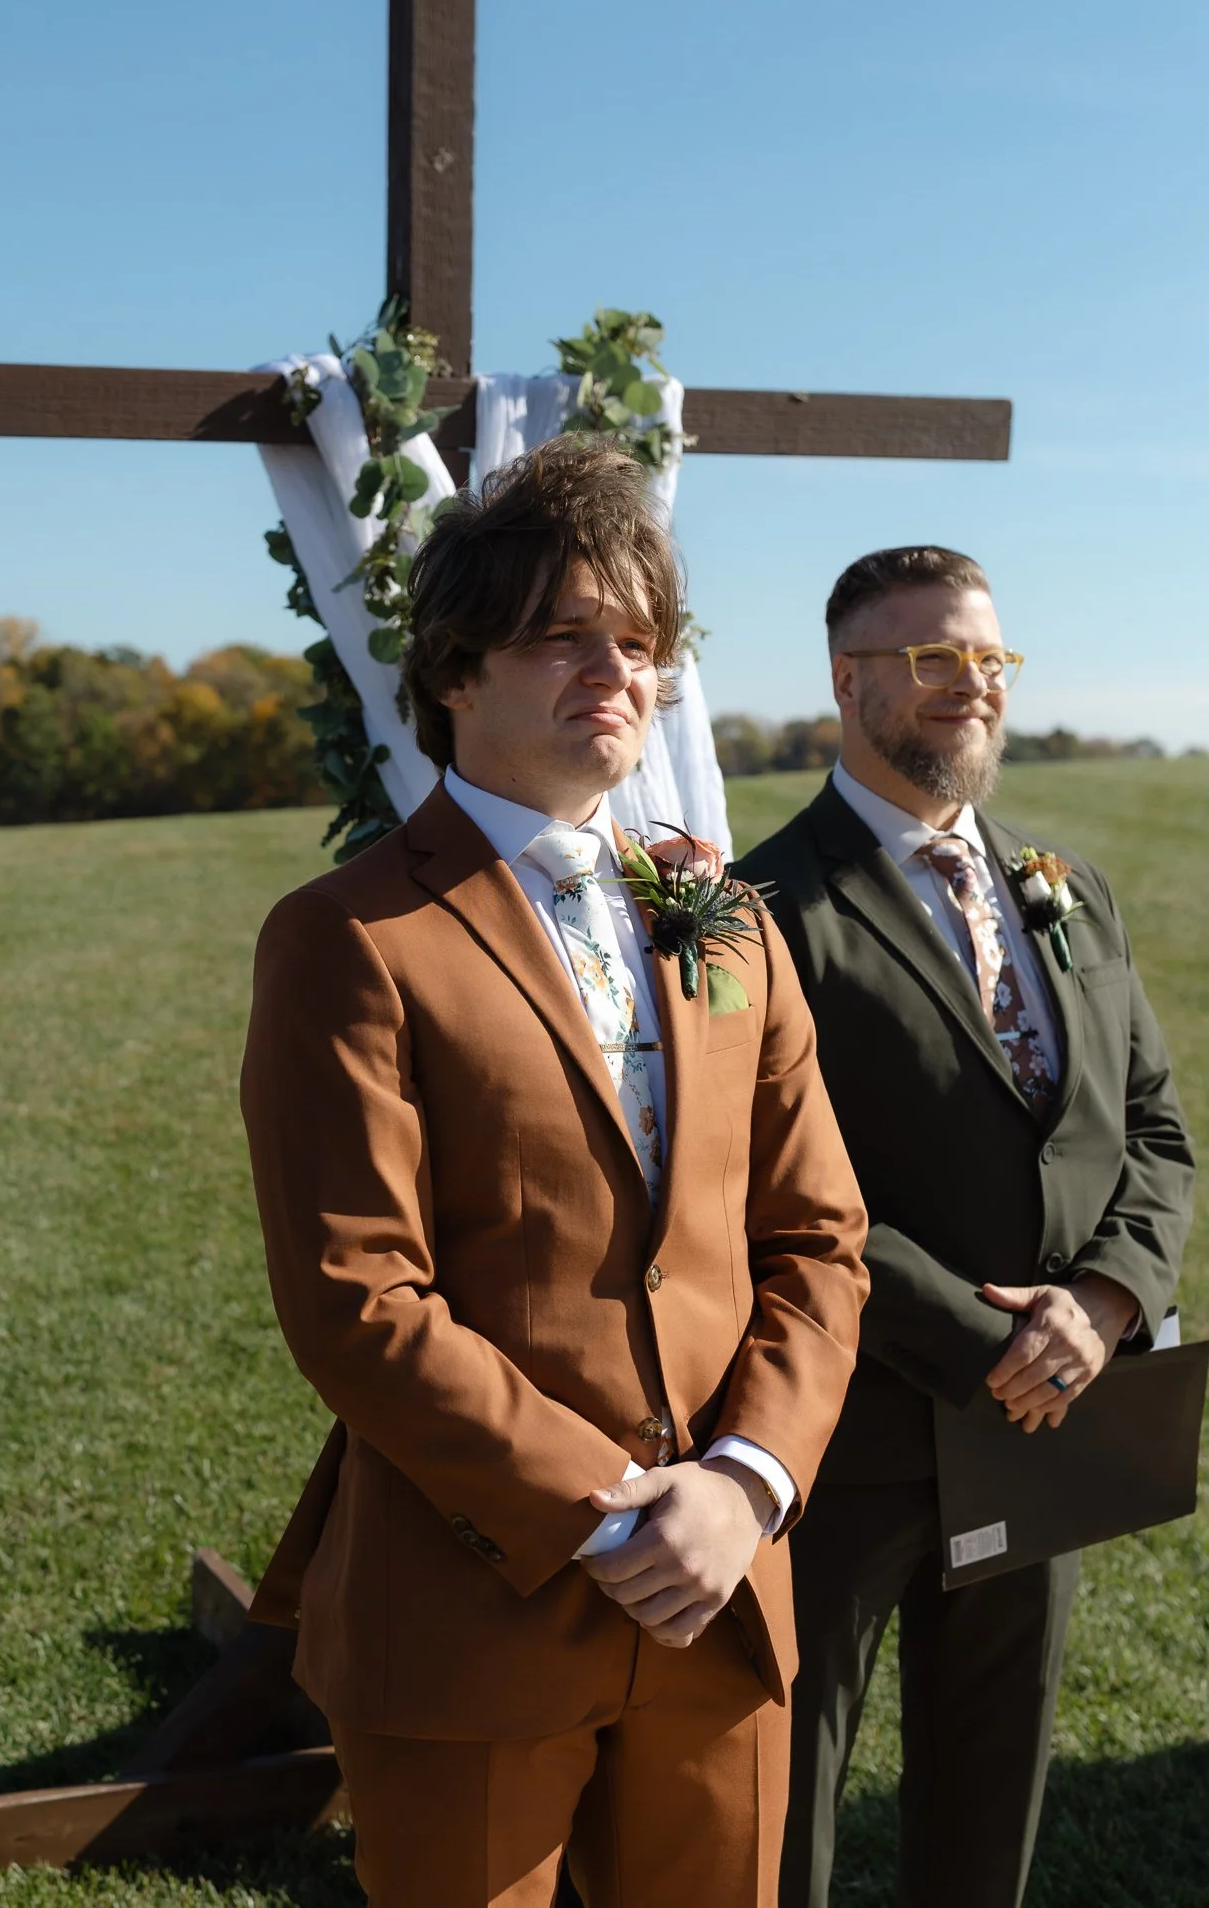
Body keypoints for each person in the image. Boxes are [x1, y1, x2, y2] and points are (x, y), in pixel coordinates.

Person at [240, 437, 868, 1908]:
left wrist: (744, 1484)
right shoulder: (351, 937)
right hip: (473, 1603)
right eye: (562, 634)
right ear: (455, 670)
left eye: (639, 641)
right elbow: (357, 1297)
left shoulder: (722, 915)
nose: (616, 670)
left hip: (722, 1593)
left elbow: (820, 1235)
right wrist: (604, 1508)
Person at [732, 545, 1195, 1908]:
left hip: (1050, 1420)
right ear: (848, 679)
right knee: (785, 1803)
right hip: (850, 1427)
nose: (970, 686)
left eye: (989, 659)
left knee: (990, 1798)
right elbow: (772, 1182)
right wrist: (988, 1335)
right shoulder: (767, 913)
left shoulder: (1070, 887)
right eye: (933, 658)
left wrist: (1103, 1303)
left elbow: (1154, 1128)